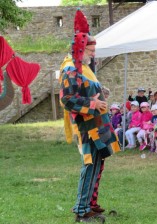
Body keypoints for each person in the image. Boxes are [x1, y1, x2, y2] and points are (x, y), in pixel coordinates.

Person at [59, 9, 120, 223]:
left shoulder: (82, 67)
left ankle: (89, 205)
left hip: (96, 124)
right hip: (87, 126)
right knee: (89, 164)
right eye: (91, 51)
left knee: (97, 163)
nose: (93, 54)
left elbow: (84, 89)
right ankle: (81, 210)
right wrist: (93, 102)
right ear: (81, 49)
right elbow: (67, 99)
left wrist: (100, 92)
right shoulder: (70, 69)